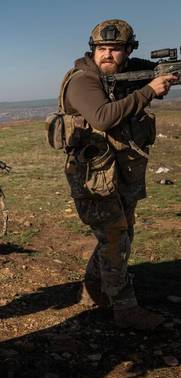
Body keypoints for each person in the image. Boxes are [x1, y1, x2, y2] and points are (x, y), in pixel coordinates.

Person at [57, 19, 178, 329]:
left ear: (127, 52)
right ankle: (125, 309)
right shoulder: (83, 80)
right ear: (92, 50)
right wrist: (148, 91)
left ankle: (94, 291)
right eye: (101, 49)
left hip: (119, 172)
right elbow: (102, 118)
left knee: (121, 233)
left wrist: (161, 77)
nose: (107, 55)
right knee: (115, 238)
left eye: (114, 49)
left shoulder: (123, 74)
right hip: (93, 177)